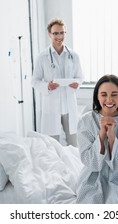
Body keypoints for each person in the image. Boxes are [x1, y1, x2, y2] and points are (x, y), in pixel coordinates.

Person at [76, 74, 118, 203]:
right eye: (103, 95)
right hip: (93, 175)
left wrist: (112, 138)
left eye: (114, 94)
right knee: (89, 200)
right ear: (97, 96)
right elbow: (91, 163)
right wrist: (101, 137)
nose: (109, 100)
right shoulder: (85, 121)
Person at [31, 18, 84, 147]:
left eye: (62, 32)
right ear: (50, 34)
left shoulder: (74, 55)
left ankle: (73, 167)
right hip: (52, 106)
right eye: (55, 33)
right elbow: (35, 81)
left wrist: (76, 83)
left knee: (73, 143)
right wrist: (47, 86)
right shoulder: (42, 57)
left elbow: (80, 77)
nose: (59, 36)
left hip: (68, 106)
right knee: (52, 144)